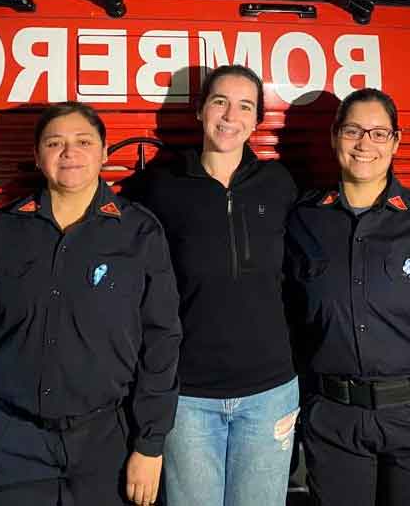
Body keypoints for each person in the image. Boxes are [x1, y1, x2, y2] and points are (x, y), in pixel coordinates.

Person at [0, 101, 182, 506]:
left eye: (84, 141)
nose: (70, 153)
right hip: (12, 444)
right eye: (55, 143)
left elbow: (161, 341)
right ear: (37, 156)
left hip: (108, 442)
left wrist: (150, 444)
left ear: (104, 153)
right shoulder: (0, 234)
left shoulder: (139, 234)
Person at [284, 88, 410, 506]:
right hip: (334, 418)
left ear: (396, 142)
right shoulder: (303, 219)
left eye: (379, 133)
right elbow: (287, 317)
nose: (365, 144)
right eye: (353, 131)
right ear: (334, 136)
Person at [120, 65, 298, 506]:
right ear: (200, 111)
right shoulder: (158, 188)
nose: (230, 115)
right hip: (188, 398)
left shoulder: (280, 186)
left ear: (257, 120)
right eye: (219, 102)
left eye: (245, 106)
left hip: (270, 395)